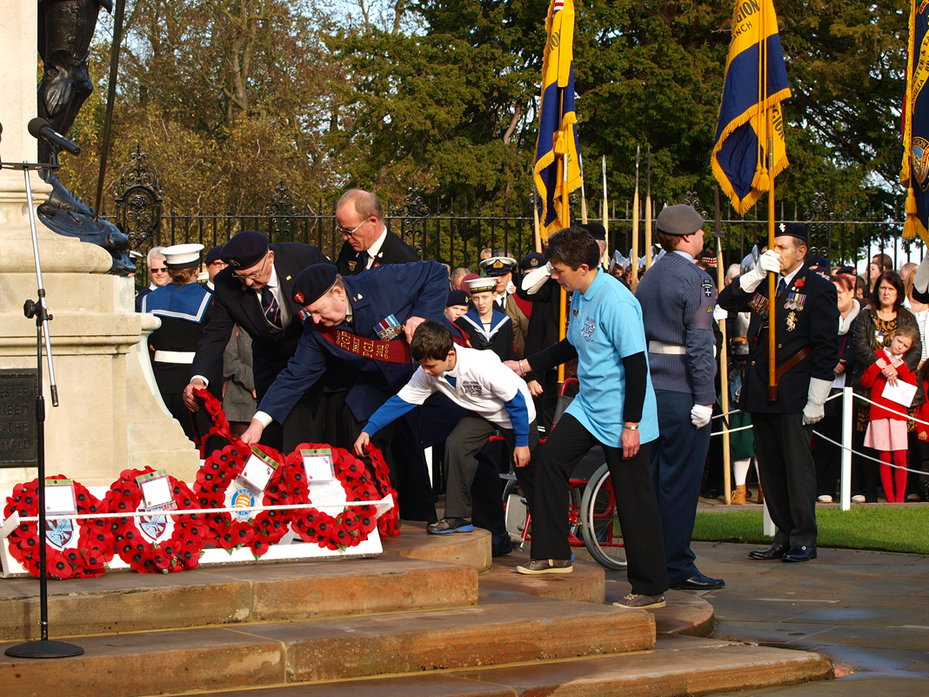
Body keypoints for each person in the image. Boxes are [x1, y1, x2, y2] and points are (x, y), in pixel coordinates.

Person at [507, 227, 668, 610]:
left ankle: (649, 589)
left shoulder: (617, 301)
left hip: (623, 413)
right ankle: (554, 553)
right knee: (549, 462)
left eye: (559, 270)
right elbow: (571, 345)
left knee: (633, 500)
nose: (555, 276)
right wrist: (526, 364)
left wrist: (631, 426)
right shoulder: (579, 295)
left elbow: (636, 367)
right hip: (589, 406)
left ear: (583, 266)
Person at [717, 223, 839, 563]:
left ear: (801, 251)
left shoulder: (818, 289)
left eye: (783, 247)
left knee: (796, 468)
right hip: (760, 387)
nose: (776, 252)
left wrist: (817, 397)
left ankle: (803, 537)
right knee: (769, 469)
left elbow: (826, 347)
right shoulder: (766, 282)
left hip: (794, 390)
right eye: (774, 245)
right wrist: (755, 273)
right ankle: (783, 535)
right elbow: (727, 300)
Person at [354, 320, 537, 535]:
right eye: (423, 366)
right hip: (484, 412)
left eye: (430, 366)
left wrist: (522, 442)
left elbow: (515, 400)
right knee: (456, 444)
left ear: (450, 354)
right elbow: (401, 401)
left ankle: (554, 547)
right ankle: (457, 517)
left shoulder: (481, 366)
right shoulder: (428, 372)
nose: (427, 371)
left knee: (531, 477)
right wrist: (369, 429)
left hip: (518, 414)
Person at [635, 204, 723, 591]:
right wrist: (705, 397)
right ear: (687, 236)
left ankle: (652, 560)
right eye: (701, 232)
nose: (704, 237)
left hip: (652, 387)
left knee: (654, 482)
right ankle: (677, 564)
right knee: (681, 484)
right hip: (684, 388)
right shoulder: (697, 279)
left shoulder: (650, 276)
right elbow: (701, 343)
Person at [182, 230, 328, 450]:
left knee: (313, 432)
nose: (249, 282)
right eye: (241, 276)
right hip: (271, 367)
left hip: (318, 360)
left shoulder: (303, 258)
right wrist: (198, 380)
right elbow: (215, 335)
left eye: (254, 273)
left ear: (270, 257)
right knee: (271, 439)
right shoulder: (226, 283)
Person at [851, 270, 921, 502]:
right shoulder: (865, 315)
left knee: (902, 447)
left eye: (891, 288)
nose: (886, 292)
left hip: (900, 393)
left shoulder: (907, 317)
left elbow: (916, 350)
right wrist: (880, 364)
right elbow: (860, 345)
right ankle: (872, 492)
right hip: (872, 391)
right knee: (874, 444)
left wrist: (896, 368)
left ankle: (905, 492)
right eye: (882, 287)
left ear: (898, 292)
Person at [142, 244, 214, 443]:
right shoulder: (208, 300)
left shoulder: (147, 299)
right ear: (196, 270)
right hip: (193, 381)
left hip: (157, 378)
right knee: (196, 443)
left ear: (170, 270)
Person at [814, 274, 860, 503]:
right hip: (827, 385)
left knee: (853, 439)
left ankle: (854, 487)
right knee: (826, 438)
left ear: (852, 293)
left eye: (841, 292)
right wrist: (830, 361)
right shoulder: (822, 315)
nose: (837, 297)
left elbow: (862, 343)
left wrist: (845, 361)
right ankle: (825, 487)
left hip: (852, 385)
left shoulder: (862, 317)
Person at [860, 325, 919, 503]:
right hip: (878, 412)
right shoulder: (878, 356)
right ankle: (890, 499)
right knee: (884, 456)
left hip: (898, 413)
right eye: (899, 341)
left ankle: (900, 499)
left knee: (900, 456)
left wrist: (898, 369)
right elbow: (865, 382)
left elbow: (912, 386)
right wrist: (877, 368)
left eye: (905, 346)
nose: (900, 347)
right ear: (893, 336)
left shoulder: (905, 362)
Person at [334, 189, 419, 275]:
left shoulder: (404, 261)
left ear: (372, 222)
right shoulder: (350, 248)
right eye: (342, 230)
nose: (345, 237)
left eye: (349, 231)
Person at [480, 256, 529, 358]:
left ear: (509, 277)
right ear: (487, 278)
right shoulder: (480, 304)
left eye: (502, 275)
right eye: (494, 275)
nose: (498, 280)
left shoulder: (518, 301)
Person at [456, 277, 516, 360]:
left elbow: (510, 353)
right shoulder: (463, 323)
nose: (480, 303)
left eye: (485, 297)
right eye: (476, 298)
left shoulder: (505, 322)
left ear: (494, 296)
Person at [136, 246, 169, 311]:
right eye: (155, 270)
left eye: (163, 269)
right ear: (149, 270)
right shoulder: (141, 298)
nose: (159, 273)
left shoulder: (179, 295)